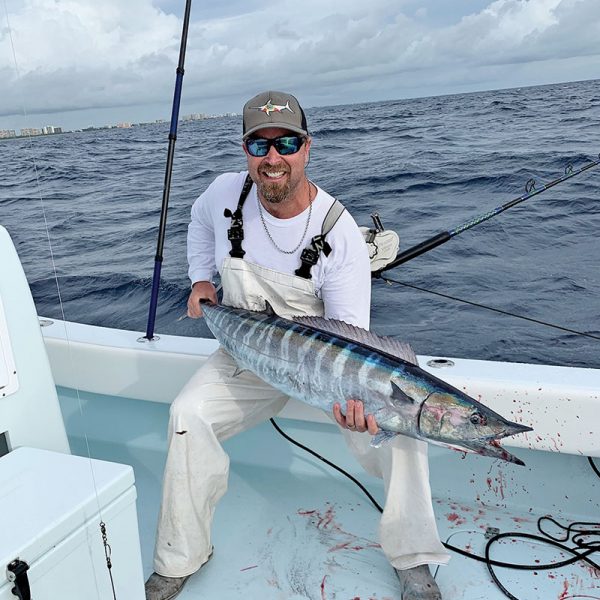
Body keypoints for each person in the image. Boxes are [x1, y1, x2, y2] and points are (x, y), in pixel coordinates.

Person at [145, 90, 448, 600]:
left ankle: (413, 556)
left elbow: (351, 334)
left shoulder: (340, 231)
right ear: (245, 151)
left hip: (327, 377)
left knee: (403, 431)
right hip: (245, 355)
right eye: (258, 145)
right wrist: (200, 281)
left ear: (307, 146)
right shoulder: (222, 193)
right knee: (186, 415)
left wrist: (352, 403)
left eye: (286, 142)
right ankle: (180, 557)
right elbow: (198, 225)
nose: (272, 158)